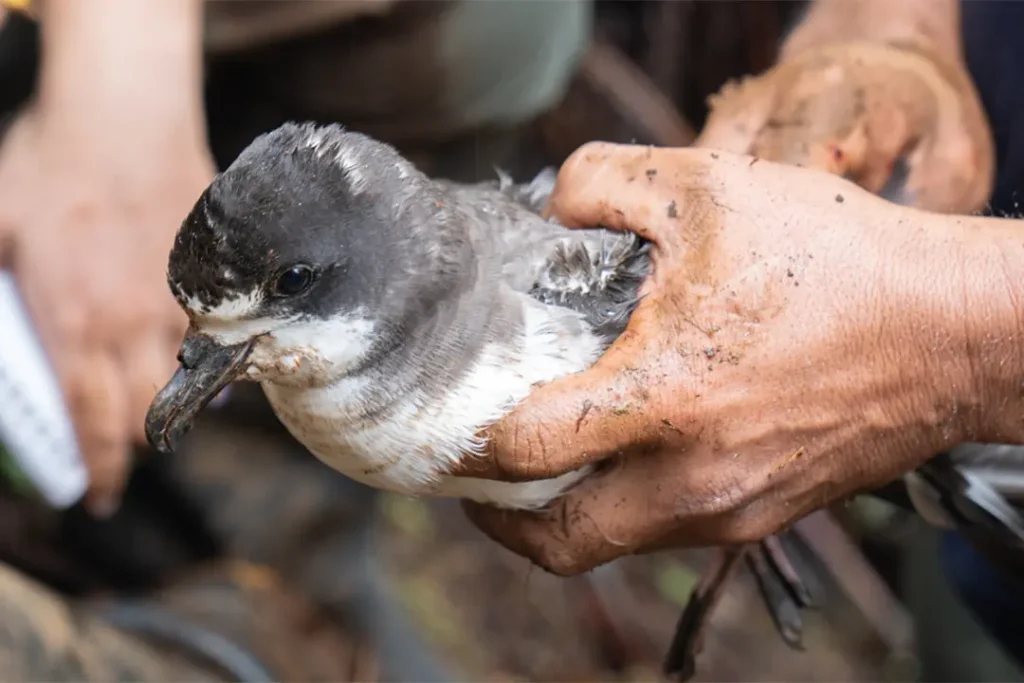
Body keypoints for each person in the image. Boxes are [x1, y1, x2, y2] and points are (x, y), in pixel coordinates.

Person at [456, 0, 1024, 665]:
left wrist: (963, 333)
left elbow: (957, 341)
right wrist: (901, 29)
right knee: (964, 632)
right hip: (976, 537)